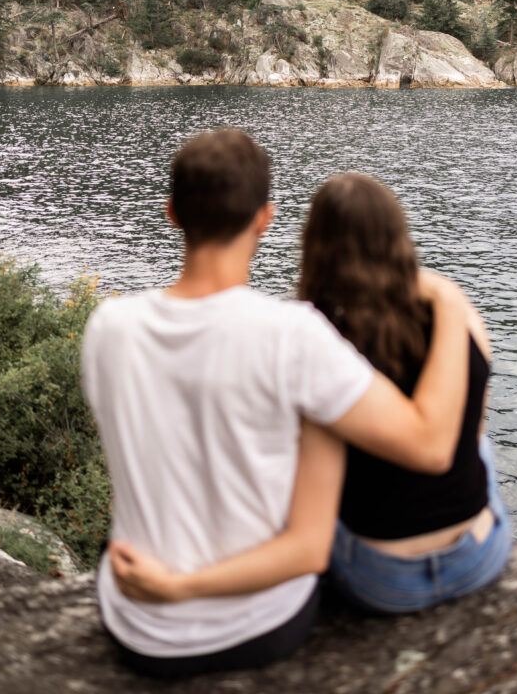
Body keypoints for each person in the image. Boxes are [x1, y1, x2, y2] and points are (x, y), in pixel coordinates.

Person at [82, 131, 470, 680]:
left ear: (171, 214)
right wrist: (451, 305)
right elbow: (429, 446)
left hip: (134, 624)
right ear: (265, 218)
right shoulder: (292, 336)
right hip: (258, 626)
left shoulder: (107, 327)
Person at [110, 173, 512, 618]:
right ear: (399, 236)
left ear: (315, 246)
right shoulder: (460, 317)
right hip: (478, 559)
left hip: (380, 579)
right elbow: (468, 437)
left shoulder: (315, 343)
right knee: (483, 449)